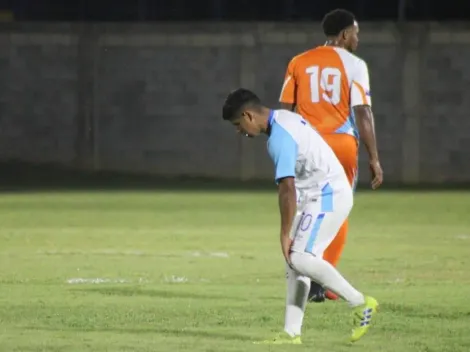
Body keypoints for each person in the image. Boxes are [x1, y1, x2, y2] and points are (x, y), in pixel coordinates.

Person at [221, 88, 378, 345]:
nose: (240, 131)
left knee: (299, 256)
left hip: (327, 195)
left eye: (238, 125)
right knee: (295, 262)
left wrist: (284, 233)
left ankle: (360, 303)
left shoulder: (279, 138)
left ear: (248, 115)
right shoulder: (283, 118)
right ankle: (291, 333)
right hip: (319, 194)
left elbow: (287, 189)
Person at [279, 8, 383, 302]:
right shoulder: (355, 64)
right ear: (345, 34)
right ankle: (321, 280)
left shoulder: (298, 62)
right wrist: (374, 157)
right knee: (338, 209)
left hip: (307, 145)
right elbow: (362, 111)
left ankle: (305, 272)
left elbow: (285, 110)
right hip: (340, 144)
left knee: (305, 207)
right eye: (356, 33)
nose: (358, 39)